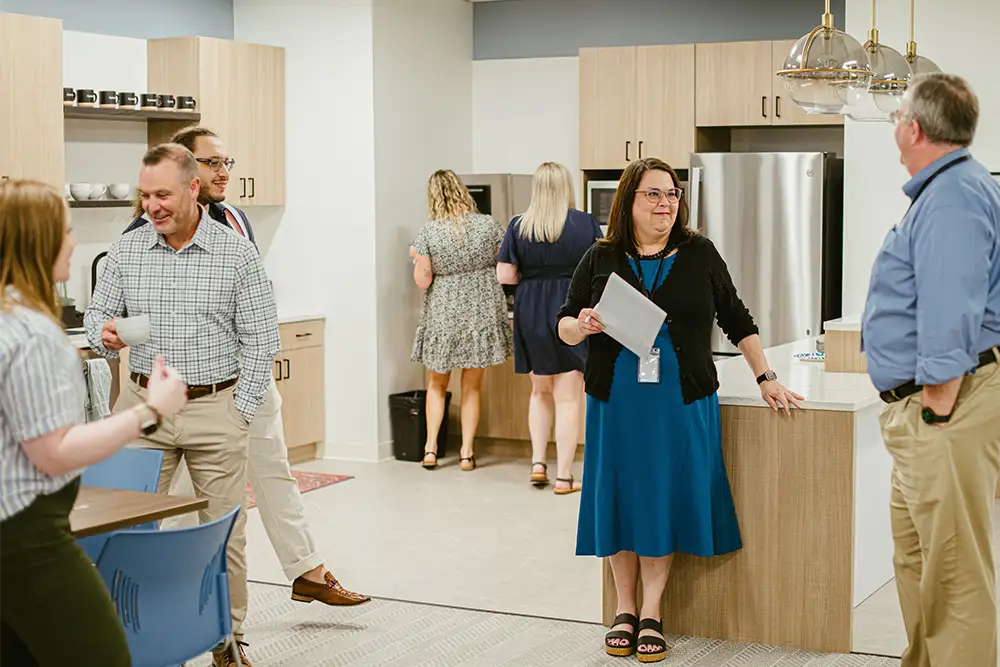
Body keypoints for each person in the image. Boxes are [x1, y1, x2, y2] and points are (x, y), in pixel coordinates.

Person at [557, 157, 802, 662]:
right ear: (629, 201)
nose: (666, 204)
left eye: (671, 194)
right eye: (653, 194)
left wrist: (766, 375)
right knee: (620, 498)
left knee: (661, 497)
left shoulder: (699, 252)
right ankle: (623, 608)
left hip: (680, 397)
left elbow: (737, 317)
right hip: (617, 398)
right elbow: (564, 322)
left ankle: (652, 612)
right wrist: (581, 326)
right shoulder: (600, 256)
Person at [123, 126, 369, 608]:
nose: (225, 173)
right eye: (213, 163)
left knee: (275, 472)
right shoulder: (145, 233)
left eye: (227, 163)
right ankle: (181, 600)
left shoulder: (235, 219)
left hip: (245, 376)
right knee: (178, 500)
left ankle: (307, 571)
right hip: (189, 390)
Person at [85, 144, 280, 667]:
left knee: (224, 533)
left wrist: (240, 409)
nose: (152, 205)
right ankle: (127, 636)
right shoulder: (127, 250)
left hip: (215, 406)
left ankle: (227, 640)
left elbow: (262, 339)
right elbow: (96, 318)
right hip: (143, 405)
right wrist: (103, 334)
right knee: (124, 529)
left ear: (193, 188)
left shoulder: (236, 253)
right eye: (145, 195)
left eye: (163, 194)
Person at [0, 179, 188, 666]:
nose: (75, 240)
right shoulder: (32, 333)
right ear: (38, 242)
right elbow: (53, 451)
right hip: (27, 536)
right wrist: (151, 410)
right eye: (66, 230)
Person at [862, 73, 1000, 667]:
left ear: (914, 128)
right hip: (928, 406)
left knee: (953, 572)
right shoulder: (947, 190)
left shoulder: (953, 197)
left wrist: (936, 407)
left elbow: (950, 309)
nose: (895, 126)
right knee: (918, 560)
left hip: (945, 405)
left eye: (897, 117)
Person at [496, 162, 602, 494]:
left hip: (530, 310)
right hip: (569, 310)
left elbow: (505, 276)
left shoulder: (519, 225)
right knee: (568, 398)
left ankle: (538, 464)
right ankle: (565, 476)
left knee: (539, 392)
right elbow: (601, 270)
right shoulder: (584, 223)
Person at [410, 169, 513, 471]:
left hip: (444, 309)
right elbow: (505, 261)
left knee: (436, 383)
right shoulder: (488, 225)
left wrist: (417, 259)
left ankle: (431, 450)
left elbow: (423, 281)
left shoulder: (429, 232)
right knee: (472, 385)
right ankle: (467, 452)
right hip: (481, 308)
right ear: (462, 190)